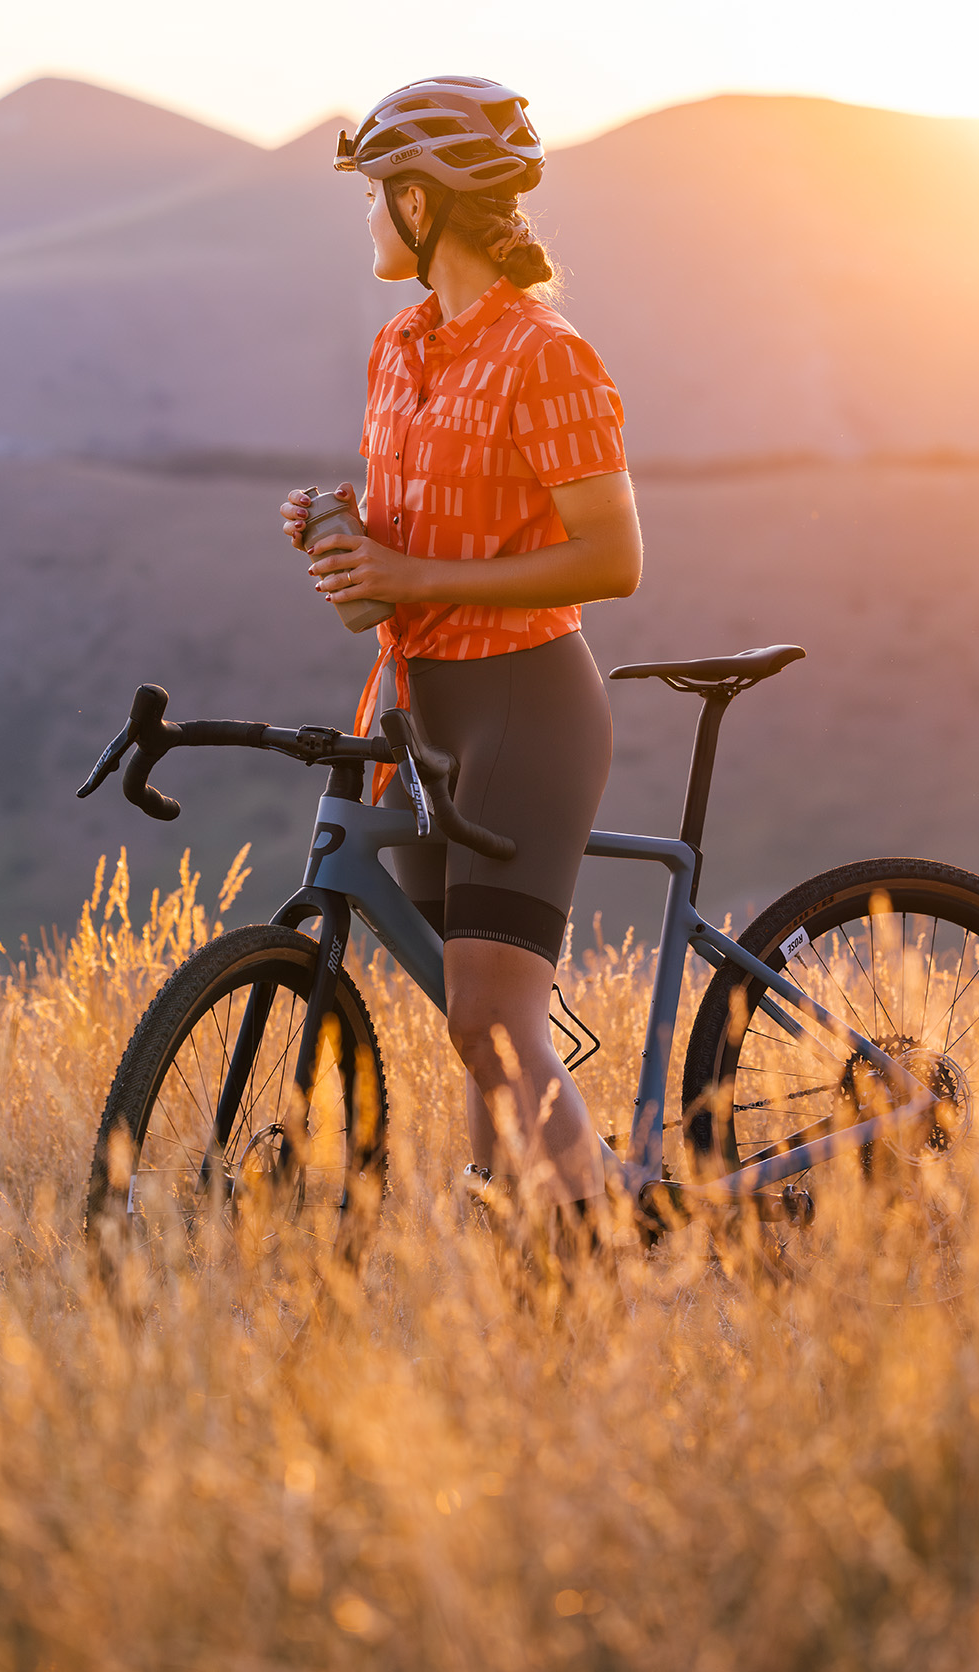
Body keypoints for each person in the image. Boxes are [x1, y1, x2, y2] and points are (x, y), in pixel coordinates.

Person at [281, 75, 642, 1231]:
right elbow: (428, 529)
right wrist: (345, 530)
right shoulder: (402, 344)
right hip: (420, 704)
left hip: (525, 705)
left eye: (376, 198)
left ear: (421, 202)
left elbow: (612, 559)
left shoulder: (547, 354)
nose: (368, 222)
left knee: (492, 1016)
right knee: (473, 1012)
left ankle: (605, 1266)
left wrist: (416, 577)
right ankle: (528, 1261)